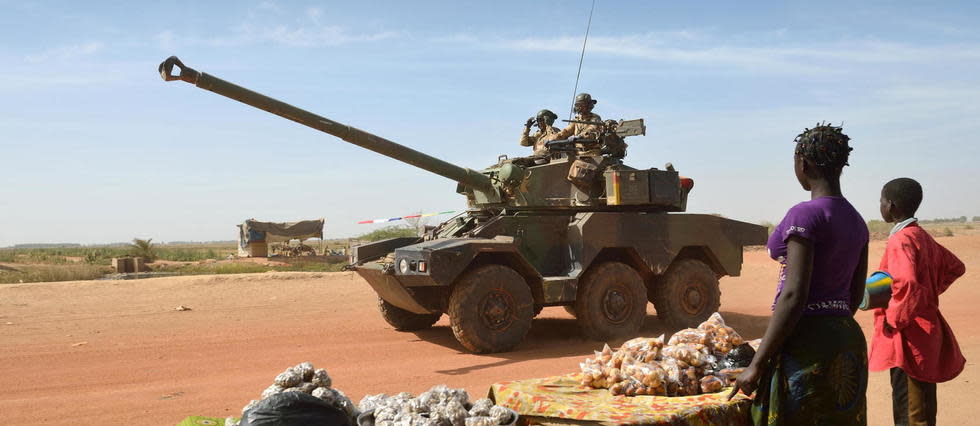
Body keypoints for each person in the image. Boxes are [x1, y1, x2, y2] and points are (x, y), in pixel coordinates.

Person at [729, 123, 870, 425]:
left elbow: (794, 295)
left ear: (803, 164)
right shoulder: (857, 221)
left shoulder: (804, 214)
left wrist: (756, 364)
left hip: (807, 342)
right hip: (846, 340)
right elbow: (854, 295)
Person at [869, 177, 965, 426]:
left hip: (910, 337)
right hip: (926, 332)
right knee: (920, 405)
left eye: (881, 200)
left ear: (891, 205)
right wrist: (928, 294)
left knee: (911, 412)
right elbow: (955, 267)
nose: (879, 205)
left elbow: (908, 283)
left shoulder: (901, 239)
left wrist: (895, 317)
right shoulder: (921, 236)